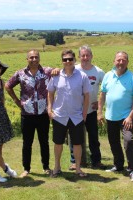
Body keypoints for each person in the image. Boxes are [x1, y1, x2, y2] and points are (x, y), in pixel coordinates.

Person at [5, 49, 52, 177]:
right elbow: (8, 85)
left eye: (36, 57)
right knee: (27, 143)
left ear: (39, 59)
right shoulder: (20, 74)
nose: (34, 59)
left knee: (44, 142)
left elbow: (60, 72)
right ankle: (26, 169)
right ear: (27, 59)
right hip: (27, 114)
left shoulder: (47, 72)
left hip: (43, 113)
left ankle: (46, 167)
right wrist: (16, 100)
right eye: (31, 57)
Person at [47, 49, 92, 178]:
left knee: (77, 144)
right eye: (65, 59)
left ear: (74, 60)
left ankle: (78, 168)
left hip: (76, 116)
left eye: (70, 59)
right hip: (59, 115)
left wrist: (84, 114)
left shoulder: (82, 76)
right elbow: (50, 93)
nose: (67, 62)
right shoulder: (55, 76)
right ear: (62, 61)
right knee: (58, 143)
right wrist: (50, 110)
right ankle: (57, 167)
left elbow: (87, 96)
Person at [98, 51, 133, 182]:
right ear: (114, 61)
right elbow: (102, 95)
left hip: (125, 117)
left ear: (127, 62)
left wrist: (130, 116)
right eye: (118, 60)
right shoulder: (108, 76)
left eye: (124, 60)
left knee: (128, 141)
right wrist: (99, 112)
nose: (121, 62)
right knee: (113, 142)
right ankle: (118, 165)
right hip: (110, 116)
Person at [68, 45, 106, 171]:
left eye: (87, 55)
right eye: (83, 55)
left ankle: (96, 161)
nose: (85, 58)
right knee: (75, 137)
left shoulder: (99, 72)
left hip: (91, 111)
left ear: (91, 56)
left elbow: (106, 89)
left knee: (94, 137)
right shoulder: (73, 69)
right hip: (76, 111)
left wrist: (99, 104)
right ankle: (75, 161)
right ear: (79, 57)